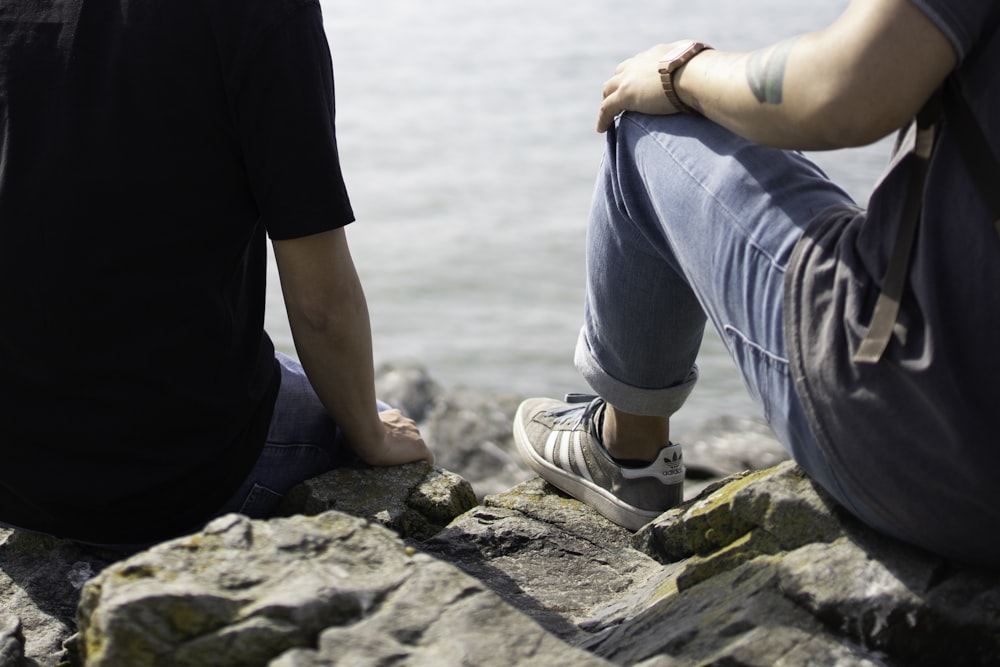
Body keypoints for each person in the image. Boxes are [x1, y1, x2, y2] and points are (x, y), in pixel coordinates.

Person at [513, 0, 1000, 566]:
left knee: (646, 119)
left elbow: (839, 92)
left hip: (938, 453)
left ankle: (628, 452)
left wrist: (681, 71)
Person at [0, 0, 432, 550]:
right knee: (378, 414)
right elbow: (321, 307)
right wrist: (372, 438)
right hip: (169, 477)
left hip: (9, 470)